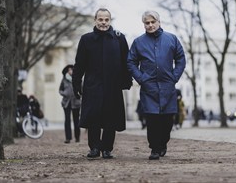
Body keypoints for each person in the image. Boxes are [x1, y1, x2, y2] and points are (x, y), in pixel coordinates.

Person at [72, 8, 132, 159]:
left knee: (110, 118)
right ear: (95, 20)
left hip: (113, 85)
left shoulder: (119, 39)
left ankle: (107, 149)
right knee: (94, 118)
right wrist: (76, 83)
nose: (103, 22)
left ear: (110, 21)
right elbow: (79, 64)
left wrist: (127, 81)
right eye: (100, 19)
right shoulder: (86, 39)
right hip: (93, 85)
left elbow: (126, 62)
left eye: (106, 20)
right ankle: (94, 148)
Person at [127, 10, 186, 160]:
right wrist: (141, 78)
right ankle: (154, 148)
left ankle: (163, 144)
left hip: (168, 86)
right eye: (147, 23)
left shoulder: (171, 39)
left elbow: (180, 58)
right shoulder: (138, 42)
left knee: (167, 120)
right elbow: (131, 62)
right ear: (144, 24)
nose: (150, 25)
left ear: (159, 22)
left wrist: (174, 77)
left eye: (153, 22)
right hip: (149, 87)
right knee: (152, 120)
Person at [59, 64, 81, 144]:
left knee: (76, 121)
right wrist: (64, 93)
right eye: (68, 70)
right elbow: (60, 90)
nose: (70, 71)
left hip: (76, 102)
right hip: (66, 103)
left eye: (71, 69)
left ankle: (77, 137)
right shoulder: (64, 79)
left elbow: (81, 88)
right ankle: (68, 138)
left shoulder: (77, 78)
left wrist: (79, 94)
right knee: (67, 120)